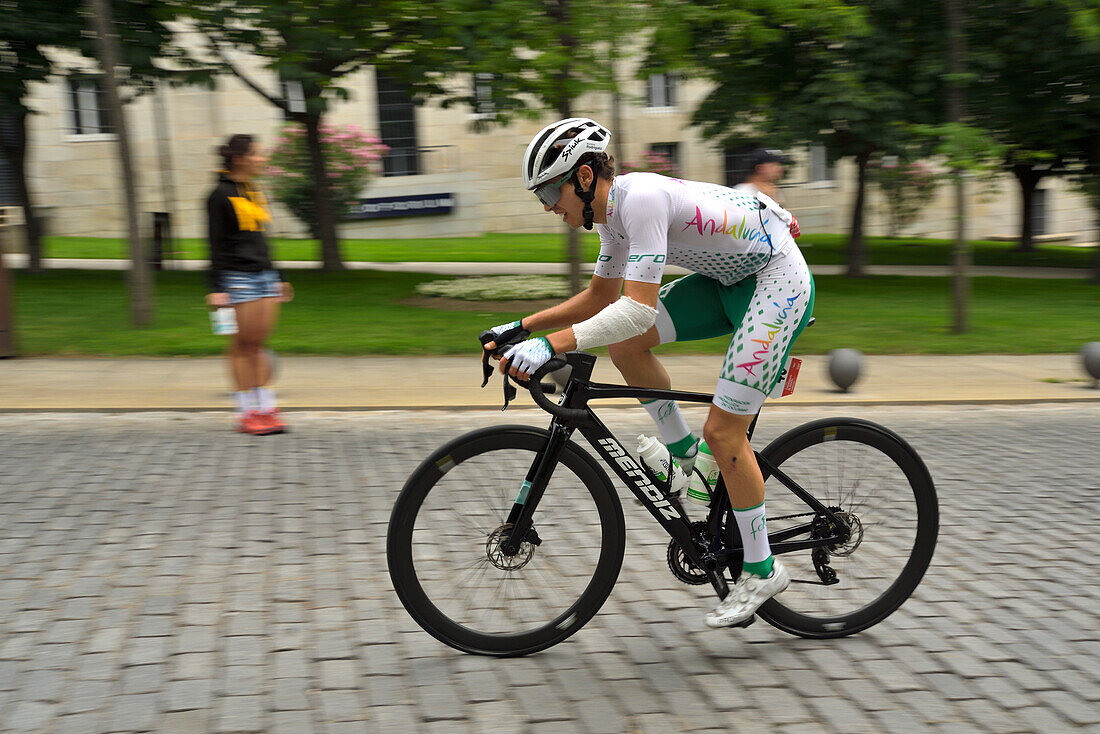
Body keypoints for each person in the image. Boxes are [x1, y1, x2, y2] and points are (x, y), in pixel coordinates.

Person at [484, 118, 814, 628]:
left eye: (551, 190)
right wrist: (518, 326)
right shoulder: (612, 217)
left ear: (586, 177)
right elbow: (599, 299)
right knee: (627, 347)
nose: (549, 204)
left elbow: (636, 307)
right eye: (540, 194)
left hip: (776, 282)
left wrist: (547, 345)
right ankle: (689, 467)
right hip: (730, 279)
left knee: (724, 432)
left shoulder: (637, 201)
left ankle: (762, 568)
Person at [206, 134, 292, 435]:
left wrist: (277, 277)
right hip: (237, 279)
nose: (262, 158)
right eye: (256, 154)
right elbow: (214, 245)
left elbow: (261, 240)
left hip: (264, 276)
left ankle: (266, 407)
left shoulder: (253, 190)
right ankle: (247, 412)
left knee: (258, 345)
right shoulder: (219, 195)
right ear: (240, 158)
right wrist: (216, 288)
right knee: (242, 346)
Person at [735, 148, 800, 238]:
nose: (779, 169)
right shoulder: (742, 192)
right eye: (773, 165)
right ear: (759, 168)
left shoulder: (774, 191)